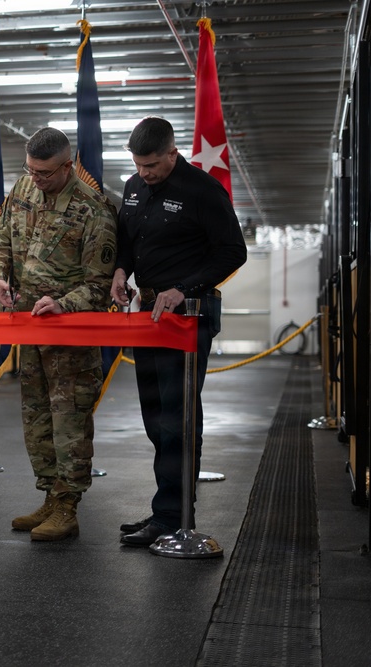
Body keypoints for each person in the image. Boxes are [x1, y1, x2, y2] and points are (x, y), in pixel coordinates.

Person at [111, 116, 247, 546]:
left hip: (188, 314)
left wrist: (183, 288)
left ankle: (173, 518)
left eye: (152, 164)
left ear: (173, 153)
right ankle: (164, 511)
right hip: (148, 313)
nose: (145, 173)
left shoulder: (202, 191)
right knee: (155, 417)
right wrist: (121, 270)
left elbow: (233, 251)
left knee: (178, 419)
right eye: (138, 165)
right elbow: (128, 238)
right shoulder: (134, 188)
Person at [0, 127, 118, 541]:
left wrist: (65, 303)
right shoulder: (24, 187)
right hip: (30, 331)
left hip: (71, 342)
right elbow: (0, 240)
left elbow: (100, 286)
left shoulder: (94, 210)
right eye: (31, 171)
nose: (36, 180)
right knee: (37, 420)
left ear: (67, 165)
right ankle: (48, 495)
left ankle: (68, 505)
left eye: (44, 173)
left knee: (69, 424)